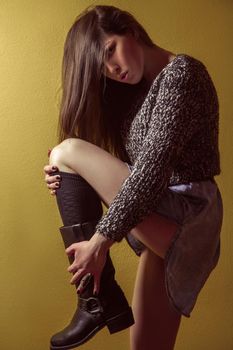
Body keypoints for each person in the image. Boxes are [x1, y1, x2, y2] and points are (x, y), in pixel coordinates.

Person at [44, 5, 223, 350]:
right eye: (102, 67)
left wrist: (99, 243)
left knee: (67, 151)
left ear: (130, 30)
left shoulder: (182, 73)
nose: (113, 69)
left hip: (189, 213)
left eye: (111, 50)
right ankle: (100, 302)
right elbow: (122, 168)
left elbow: (152, 171)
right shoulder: (134, 95)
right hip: (160, 215)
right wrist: (63, 171)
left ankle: (95, 302)